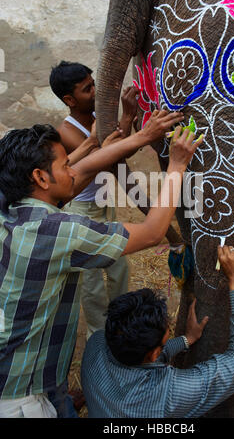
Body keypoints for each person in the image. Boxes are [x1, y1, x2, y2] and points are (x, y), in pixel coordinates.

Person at [0, 112, 203, 418]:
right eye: (64, 164)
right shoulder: (57, 232)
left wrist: (143, 137)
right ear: (41, 178)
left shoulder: (10, 206)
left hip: (23, 369)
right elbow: (151, 233)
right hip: (19, 397)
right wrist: (176, 166)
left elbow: (79, 170)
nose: (72, 169)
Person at [81, 234, 234, 418]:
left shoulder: (96, 344)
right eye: (163, 341)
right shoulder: (167, 394)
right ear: (154, 354)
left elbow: (144, 357)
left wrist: (186, 339)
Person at [49, 61, 137, 337]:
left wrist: (128, 117)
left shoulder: (98, 114)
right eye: (88, 89)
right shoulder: (68, 131)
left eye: (93, 83)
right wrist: (126, 118)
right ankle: (98, 334)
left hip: (102, 202)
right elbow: (107, 158)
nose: (96, 91)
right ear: (69, 100)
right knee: (91, 279)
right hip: (81, 210)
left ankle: (122, 321)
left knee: (118, 264)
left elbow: (122, 149)